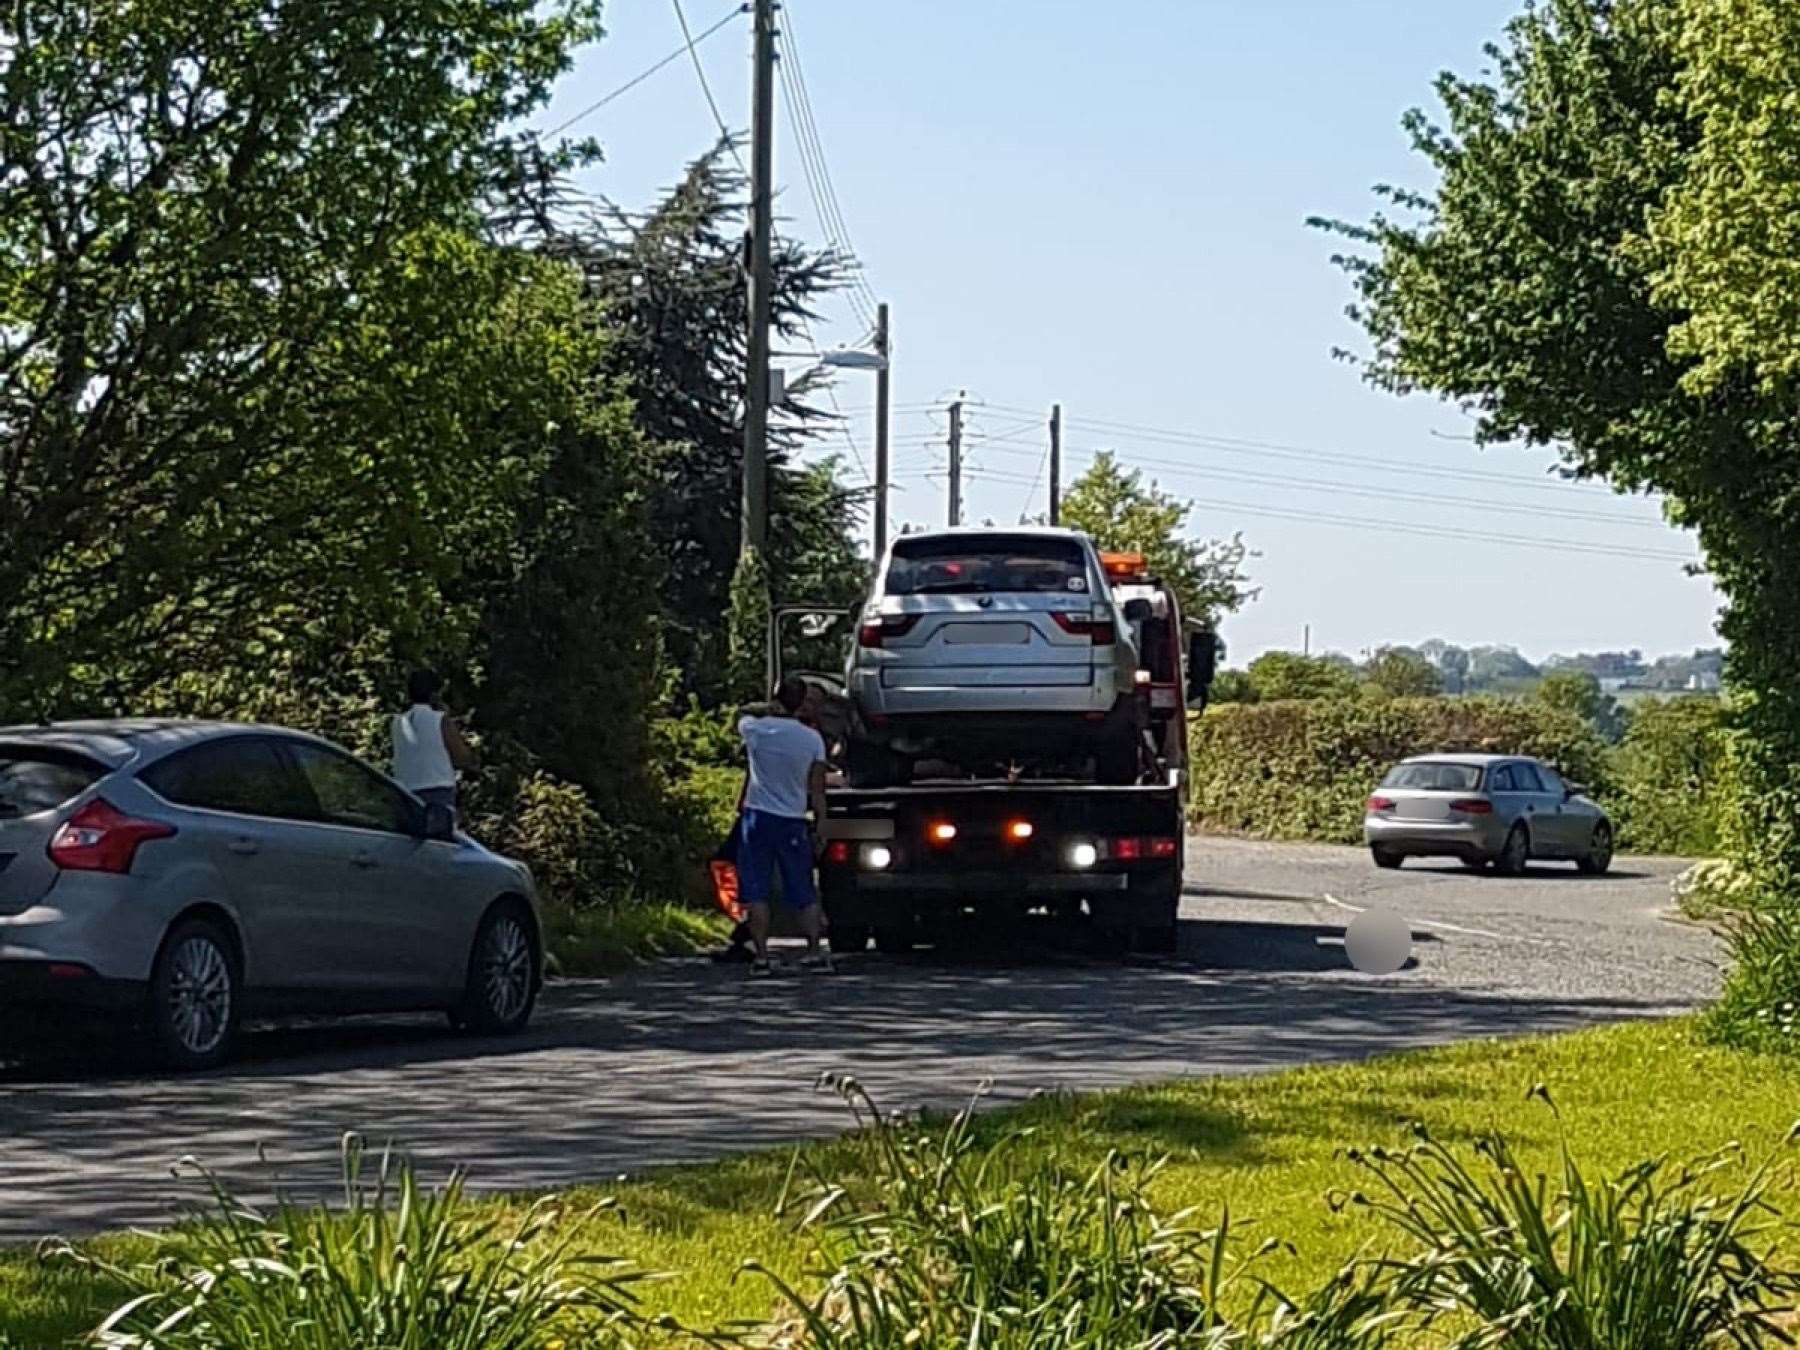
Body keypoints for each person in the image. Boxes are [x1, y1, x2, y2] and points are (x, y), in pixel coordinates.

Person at [737, 675, 831, 977]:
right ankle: (815, 950)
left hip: (757, 817)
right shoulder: (811, 739)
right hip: (792, 819)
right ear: (802, 702)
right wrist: (821, 824)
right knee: (802, 888)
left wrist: (770, 707)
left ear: (776, 699)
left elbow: (741, 712)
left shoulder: (755, 731)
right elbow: (816, 788)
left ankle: (762, 956)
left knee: (756, 889)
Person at [392, 669, 478, 819]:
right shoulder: (440, 720)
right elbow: (461, 757)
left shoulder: (398, 722)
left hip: (405, 792)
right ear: (434, 694)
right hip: (437, 791)